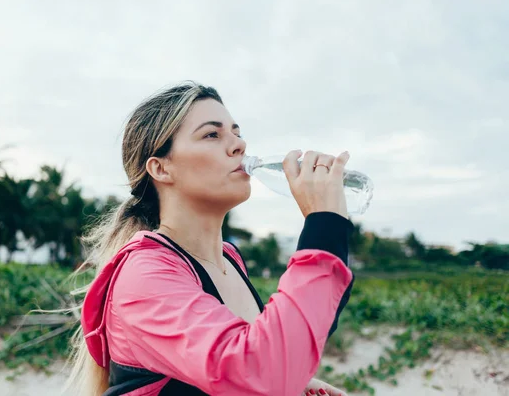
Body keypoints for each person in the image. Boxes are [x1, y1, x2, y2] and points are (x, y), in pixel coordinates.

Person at [64, 82, 355, 396]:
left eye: (236, 132)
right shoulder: (144, 275)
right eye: (212, 134)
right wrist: (323, 224)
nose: (239, 145)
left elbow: (249, 362)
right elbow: (260, 372)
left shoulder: (229, 258)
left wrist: (295, 380)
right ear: (160, 168)